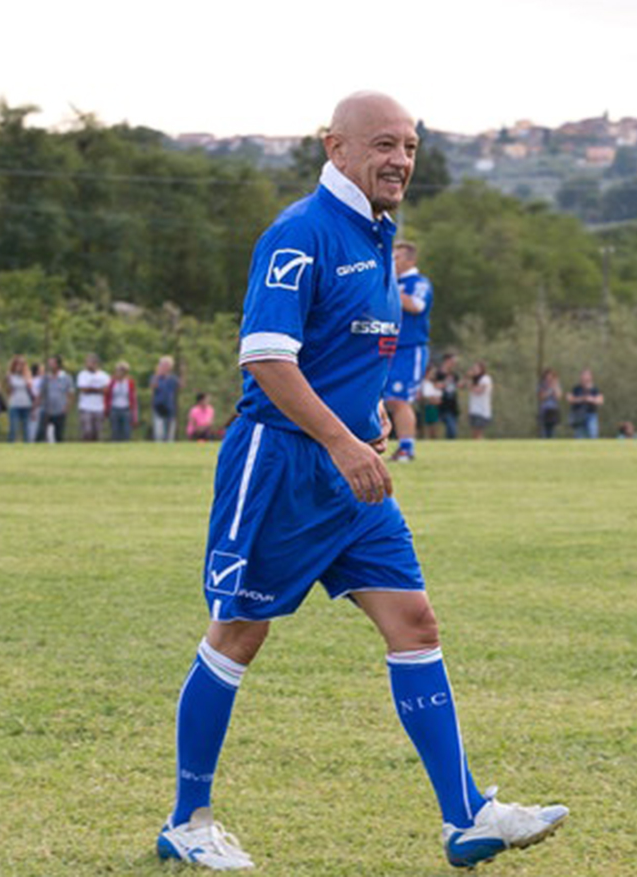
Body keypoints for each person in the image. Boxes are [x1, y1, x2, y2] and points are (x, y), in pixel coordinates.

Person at [155, 92, 567, 872]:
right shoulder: (299, 233)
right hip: (282, 467)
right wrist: (342, 440)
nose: (401, 161)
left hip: (356, 471)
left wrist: (363, 416)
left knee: (415, 622)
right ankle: (188, 819)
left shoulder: (378, 236)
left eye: (411, 147)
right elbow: (267, 358)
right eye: (384, 144)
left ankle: (465, 816)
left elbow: (342, 348)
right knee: (240, 633)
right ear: (334, 147)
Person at [385, 241, 433, 462]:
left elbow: (416, 305)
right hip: (386, 347)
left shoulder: (418, 282)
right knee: (381, 398)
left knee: (399, 399)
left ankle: (406, 448)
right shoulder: (391, 282)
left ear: (410, 261)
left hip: (409, 349)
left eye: (397, 258)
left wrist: (389, 284)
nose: (392, 261)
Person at [38, 356, 74, 443]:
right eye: (49, 363)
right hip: (46, 409)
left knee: (59, 434)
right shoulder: (46, 378)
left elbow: (70, 394)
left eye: (52, 363)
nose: (49, 365)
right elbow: (41, 393)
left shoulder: (66, 378)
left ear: (58, 365)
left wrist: (67, 407)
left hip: (60, 409)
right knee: (41, 433)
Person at [76, 354, 111, 442]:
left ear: (95, 363)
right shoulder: (82, 374)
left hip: (99, 407)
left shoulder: (104, 376)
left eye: (89, 362)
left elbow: (106, 390)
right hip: (85, 407)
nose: (87, 364)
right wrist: (98, 389)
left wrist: (91, 389)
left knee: (97, 431)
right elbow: (83, 389)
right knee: (87, 431)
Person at [151, 356, 182, 443]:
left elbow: (181, 385)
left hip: (169, 407)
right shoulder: (156, 377)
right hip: (158, 407)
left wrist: (183, 371)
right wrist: (158, 374)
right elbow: (153, 386)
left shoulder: (173, 378)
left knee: (169, 433)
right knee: (159, 433)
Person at [105, 360, 138, 441]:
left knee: (126, 432)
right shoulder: (112, 382)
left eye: (122, 371)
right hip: (114, 409)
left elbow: (133, 398)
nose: (119, 373)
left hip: (126, 409)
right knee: (115, 432)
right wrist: (106, 409)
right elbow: (107, 395)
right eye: (118, 371)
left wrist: (134, 414)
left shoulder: (130, 382)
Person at [5, 355, 35, 443]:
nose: (19, 366)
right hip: (14, 404)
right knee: (13, 428)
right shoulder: (10, 376)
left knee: (26, 428)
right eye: (17, 364)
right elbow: (8, 391)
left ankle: (27, 446)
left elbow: (30, 387)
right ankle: (10, 445)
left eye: (22, 364)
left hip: (26, 404)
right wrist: (9, 382)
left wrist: (25, 376)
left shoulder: (28, 376)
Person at [567, 369, 604, 439]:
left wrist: (591, 399)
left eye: (587, 375)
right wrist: (581, 399)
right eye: (583, 375)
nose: (585, 377)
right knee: (579, 436)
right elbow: (570, 399)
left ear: (591, 377)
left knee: (593, 434)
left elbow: (601, 400)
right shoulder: (576, 389)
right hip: (579, 415)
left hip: (591, 415)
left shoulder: (594, 389)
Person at [434, 352, 461, 440]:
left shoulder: (454, 374)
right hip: (441, 404)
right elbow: (435, 385)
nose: (454, 364)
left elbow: (458, 386)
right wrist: (445, 382)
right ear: (447, 361)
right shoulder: (438, 373)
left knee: (452, 429)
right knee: (449, 428)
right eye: (452, 361)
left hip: (452, 404)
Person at [466, 360, 493, 440]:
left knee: (478, 433)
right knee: (474, 434)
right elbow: (460, 385)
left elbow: (478, 391)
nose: (473, 370)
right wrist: (467, 377)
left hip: (482, 411)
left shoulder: (485, 379)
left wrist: (469, 384)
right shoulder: (474, 380)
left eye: (476, 368)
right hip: (473, 410)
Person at [537, 368, 562, 438]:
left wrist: (554, 387)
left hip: (553, 410)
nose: (549, 378)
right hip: (544, 410)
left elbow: (558, 397)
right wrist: (549, 391)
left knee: (552, 431)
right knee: (544, 431)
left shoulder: (556, 385)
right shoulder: (542, 385)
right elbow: (541, 397)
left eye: (550, 376)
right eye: (547, 376)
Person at [419, 365, 442, 440]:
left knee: (434, 429)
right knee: (426, 428)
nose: (434, 374)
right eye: (432, 372)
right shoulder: (422, 383)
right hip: (426, 408)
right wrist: (431, 399)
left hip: (434, 408)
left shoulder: (433, 384)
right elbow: (424, 397)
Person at [28, 362, 44, 443]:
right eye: (41, 369)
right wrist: (34, 407)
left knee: (32, 426)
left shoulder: (30, 381)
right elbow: (38, 395)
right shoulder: (38, 381)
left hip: (33, 405)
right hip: (37, 405)